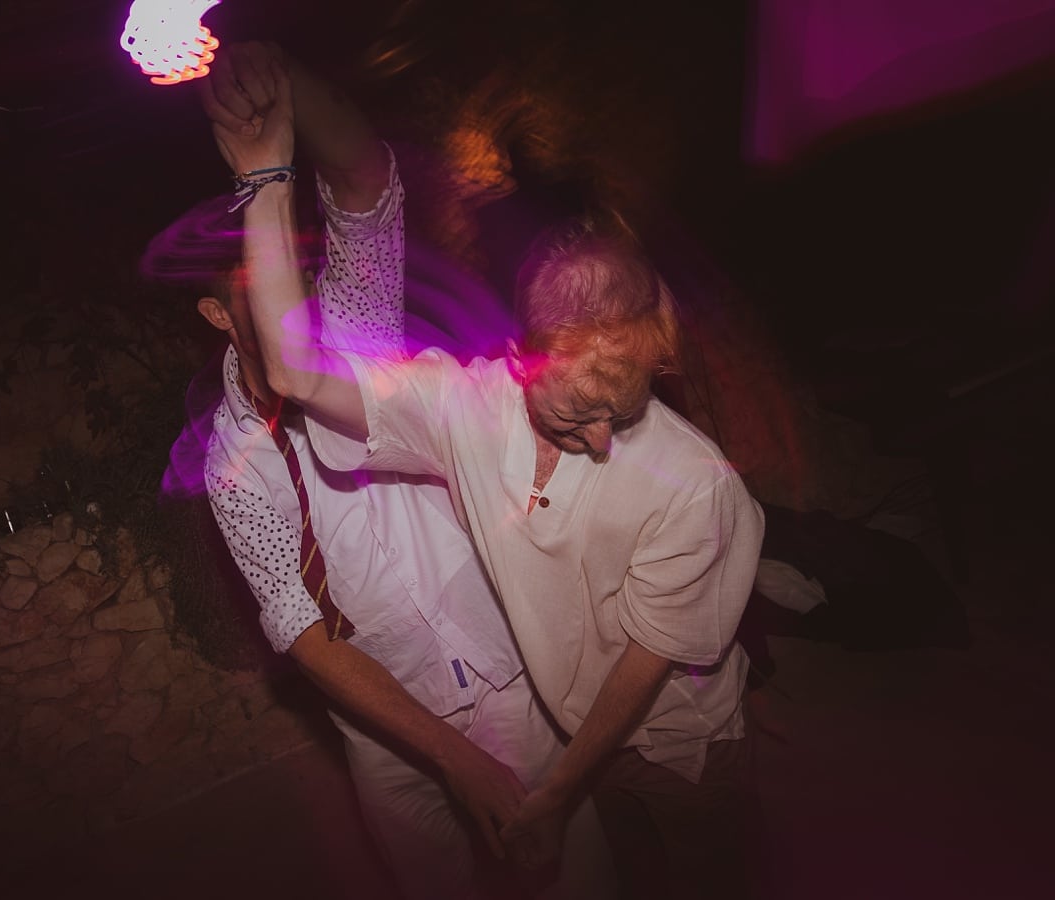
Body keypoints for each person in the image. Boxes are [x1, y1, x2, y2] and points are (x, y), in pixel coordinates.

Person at [216, 55, 766, 900]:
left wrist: (554, 791)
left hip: (674, 744)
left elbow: (644, 664)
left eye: (620, 413)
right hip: (558, 728)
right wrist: (266, 169)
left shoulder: (697, 485)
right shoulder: (457, 407)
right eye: (577, 410)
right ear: (518, 360)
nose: (597, 438)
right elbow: (295, 370)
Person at [147, 43, 612, 900]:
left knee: (575, 872)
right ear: (218, 311)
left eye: (294, 261)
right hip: (389, 735)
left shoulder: (355, 339)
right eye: (260, 278)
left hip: (514, 674)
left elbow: (363, 178)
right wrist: (454, 761)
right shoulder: (234, 466)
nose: (293, 288)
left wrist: (288, 92)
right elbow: (304, 634)